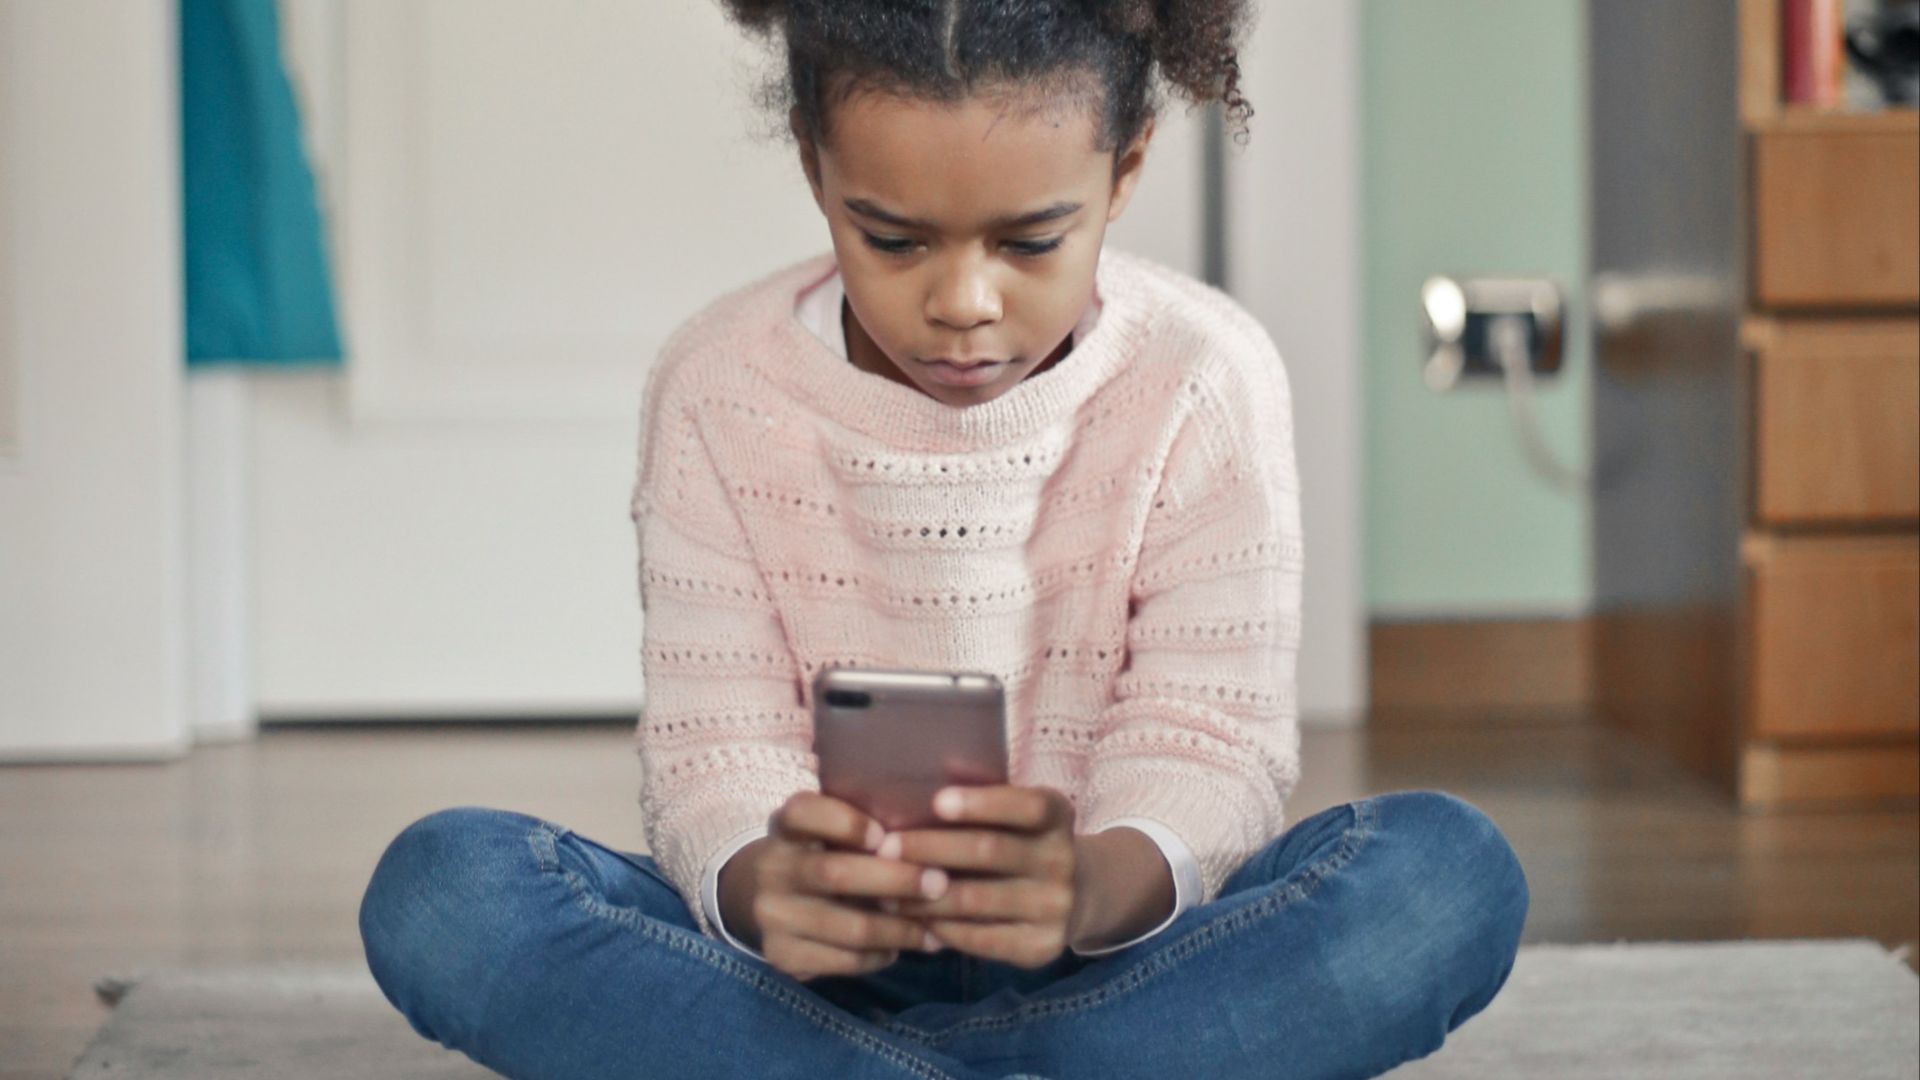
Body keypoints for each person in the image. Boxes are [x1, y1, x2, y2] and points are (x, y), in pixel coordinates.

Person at [357, 2, 1530, 1077]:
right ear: (815, 167)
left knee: (1444, 878)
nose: (964, 302)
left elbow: (1212, 747)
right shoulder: (717, 386)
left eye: (1031, 243)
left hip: (1120, 952)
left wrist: (1085, 888)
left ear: (1124, 171)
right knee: (445, 893)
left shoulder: (1204, 376)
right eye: (894, 241)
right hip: (804, 978)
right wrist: (771, 889)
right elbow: (713, 753)